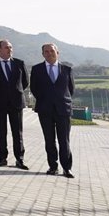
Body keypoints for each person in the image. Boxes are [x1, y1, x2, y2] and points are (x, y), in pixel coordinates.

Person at [30, 43, 75, 178]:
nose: (49, 53)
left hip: (63, 110)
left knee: (64, 140)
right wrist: (46, 100)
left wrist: (61, 100)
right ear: (43, 54)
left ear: (57, 52)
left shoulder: (67, 69)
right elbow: (34, 88)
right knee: (49, 140)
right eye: (46, 51)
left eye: (52, 51)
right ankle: (52, 166)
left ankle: (67, 168)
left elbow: (71, 89)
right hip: (45, 109)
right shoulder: (37, 69)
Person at [0, 39, 29, 170]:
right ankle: (2, 157)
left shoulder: (19, 63)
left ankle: (19, 159)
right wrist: (0, 92)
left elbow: (25, 82)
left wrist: (14, 92)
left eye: (11, 47)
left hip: (16, 102)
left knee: (17, 132)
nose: (10, 49)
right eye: (7, 47)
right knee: (0, 130)